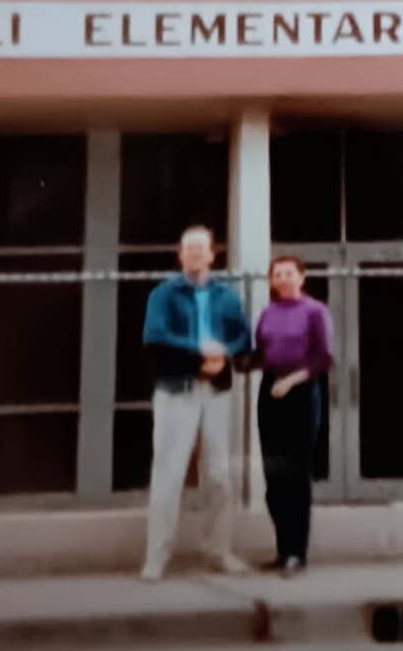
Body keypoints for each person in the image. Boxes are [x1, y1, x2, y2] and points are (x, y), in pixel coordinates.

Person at [139, 225, 252, 582]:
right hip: (177, 391)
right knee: (169, 475)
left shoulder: (226, 294)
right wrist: (200, 349)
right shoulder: (164, 292)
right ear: (180, 253)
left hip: (216, 391)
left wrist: (225, 353)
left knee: (219, 475)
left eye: (201, 248)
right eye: (189, 248)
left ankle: (219, 550)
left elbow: (242, 335)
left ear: (212, 254)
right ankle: (156, 556)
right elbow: (155, 335)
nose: (195, 254)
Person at [253, 255, 334, 577]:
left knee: (297, 476)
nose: (284, 278)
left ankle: (296, 554)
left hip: (301, 393)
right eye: (278, 274)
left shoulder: (314, 311)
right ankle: (281, 548)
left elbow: (323, 359)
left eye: (290, 273)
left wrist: (290, 381)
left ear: (301, 277)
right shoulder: (268, 313)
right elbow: (259, 354)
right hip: (271, 393)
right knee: (274, 478)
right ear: (271, 280)